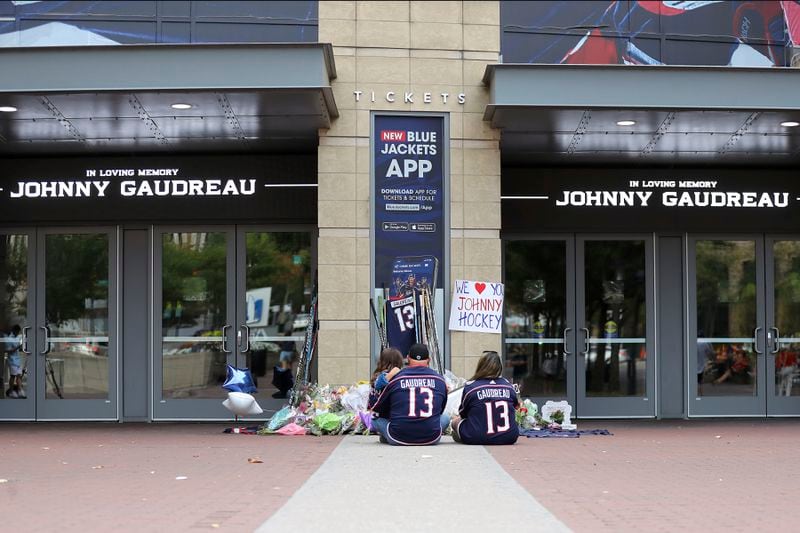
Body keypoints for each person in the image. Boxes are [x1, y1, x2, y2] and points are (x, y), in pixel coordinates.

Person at [369, 343, 449, 445]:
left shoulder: (396, 378)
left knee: (374, 419)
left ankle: (387, 435)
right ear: (429, 360)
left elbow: (378, 408)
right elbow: (440, 410)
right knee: (446, 417)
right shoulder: (440, 380)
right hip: (431, 437)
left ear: (408, 358)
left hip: (397, 437)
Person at [451, 351, 519, 445]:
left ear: (481, 366)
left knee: (455, 421)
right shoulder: (509, 386)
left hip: (476, 437)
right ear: (499, 367)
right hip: (509, 437)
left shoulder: (471, 387)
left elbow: (463, 413)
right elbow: (515, 407)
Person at [5, 325, 24, 399]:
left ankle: (20, 390)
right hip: (12, 360)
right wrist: (17, 347)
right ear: (14, 331)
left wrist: (20, 347)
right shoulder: (9, 339)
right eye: (17, 331)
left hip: (17, 360)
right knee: (13, 376)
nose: (18, 333)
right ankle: (11, 391)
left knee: (19, 375)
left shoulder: (17, 338)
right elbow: (7, 350)